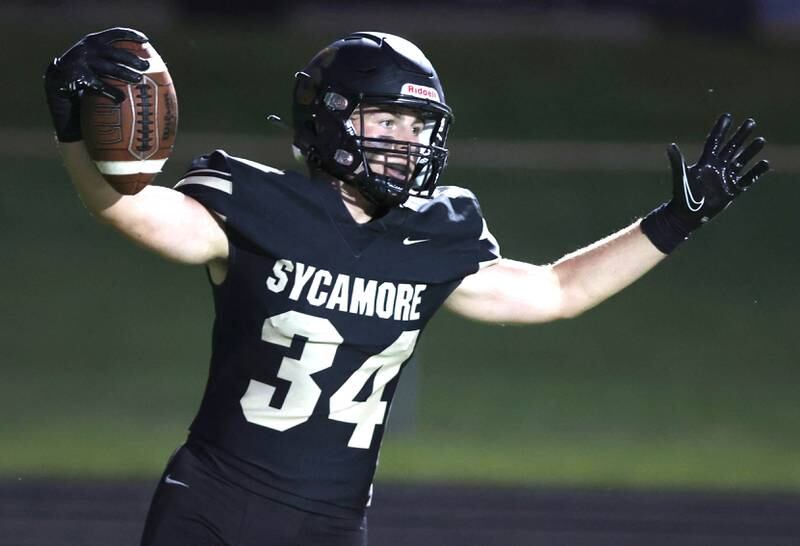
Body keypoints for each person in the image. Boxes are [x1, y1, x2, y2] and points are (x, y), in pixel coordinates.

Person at [44, 28, 769, 546]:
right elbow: (130, 207)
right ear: (328, 120)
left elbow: (555, 291)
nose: (407, 140)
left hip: (332, 523)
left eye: (419, 125)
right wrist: (77, 134)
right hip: (213, 507)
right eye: (386, 118)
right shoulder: (258, 206)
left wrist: (674, 222)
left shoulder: (435, 231)